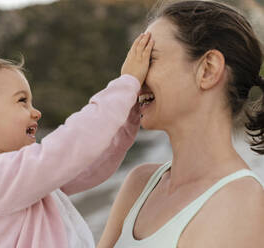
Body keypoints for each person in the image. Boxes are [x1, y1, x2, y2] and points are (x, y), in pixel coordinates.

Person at [0, 33, 154, 247]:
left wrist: (127, 116)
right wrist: (126, 83)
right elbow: (71, 146)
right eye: (22, 101)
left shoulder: (23, 179)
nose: (36, 112)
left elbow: (86, 167)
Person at [98, 1, 264, 247]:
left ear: (207, 69)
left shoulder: (242, 202)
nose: (133, 77)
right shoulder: (139, 183)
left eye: (149, 59)